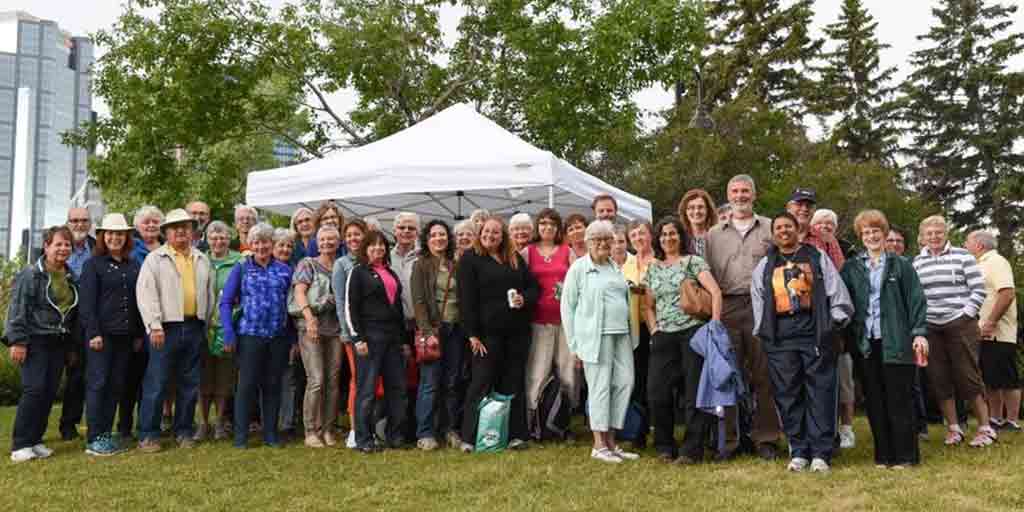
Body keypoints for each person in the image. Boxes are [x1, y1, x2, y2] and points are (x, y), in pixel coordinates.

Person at [751, 212, 853, 473]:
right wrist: (763, 331)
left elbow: (836, 289)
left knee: (821, 392)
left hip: (814, 333)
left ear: (798, 229)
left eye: (788, 226)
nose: (783, 231)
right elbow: (759, 299)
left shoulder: (816, 257)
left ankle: (821, 453)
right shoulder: (766, 264)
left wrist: (834, 322)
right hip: (780, 337)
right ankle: (798, 451)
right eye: (778, 227)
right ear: (773, 233)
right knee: (788, 393)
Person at [840, 209, 928, 468]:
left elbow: (916, 301)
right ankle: (884, 455)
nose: (871, 236)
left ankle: (906, 456)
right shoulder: (852, 267)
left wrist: (919, 334)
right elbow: (843, 302)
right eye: (865, 232)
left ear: (885, 233)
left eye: (875, 231)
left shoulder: (901, 265)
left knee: (899, 399)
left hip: (897, 342)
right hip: (866, 344)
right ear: (860, 236)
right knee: (875, 401)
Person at [704, 174, 782, 460]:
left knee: (764, 375)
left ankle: (767, 439)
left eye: (745, 191)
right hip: (727, 307)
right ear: (728, 194)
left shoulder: (770, 228)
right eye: (735, 191)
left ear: (754, 194)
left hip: (762, 305)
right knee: (728, 375)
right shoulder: (713, 234)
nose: (740, 196)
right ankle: (730, 440)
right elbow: (707, 275)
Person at [643, 217, 724, 464]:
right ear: (658, 239)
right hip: (663, 336)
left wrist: (715, 324)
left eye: (673, 233)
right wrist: (654, 329)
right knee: (658, 393)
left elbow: (716, 292)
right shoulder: (653, 267)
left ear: (681, 236)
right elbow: (648, 305)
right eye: (663, 234)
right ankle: (665, 446)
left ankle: (691, 450)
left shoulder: (693, 261)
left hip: (692, 333)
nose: (668, 238)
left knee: (693, 394)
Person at [135, 209, 215, 452]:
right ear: (166, 232)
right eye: (175, 227)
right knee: (157, 382)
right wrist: (154, 325)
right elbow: (146, 295)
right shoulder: (155, 259)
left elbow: (209, 294)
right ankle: (148, 434)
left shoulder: (202, 258)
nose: (180, 231)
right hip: (165, 328)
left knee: (190, 383)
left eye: (185, 226)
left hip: (194, 326)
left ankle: (183, 431)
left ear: (192, 231)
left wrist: (205, 323)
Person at [458, 216, 539, 452]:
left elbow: (533, 287)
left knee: (513, 382)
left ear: (502, 235)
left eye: (495, 232)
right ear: (479, 233)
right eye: (486, 231)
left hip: (516, 333)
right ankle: (469, 438)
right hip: (486, 335)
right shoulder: (470, 259)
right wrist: (472, 334)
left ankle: (515, 435)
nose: (490, 235)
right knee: (481, 382)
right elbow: (466, 299)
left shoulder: (512, 258)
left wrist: (524, 298)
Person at [561, 220, 640, 463]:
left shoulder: (615, 267)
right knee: (600, 387)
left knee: (625, 382)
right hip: (594, 337)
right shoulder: (578, 269)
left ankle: (612, 442)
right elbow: (568, 308)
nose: (603, 243)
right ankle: (598, 445)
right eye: (597, 239)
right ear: (588, 243)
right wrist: (574, 345)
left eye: (607, 239)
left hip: (621, 334)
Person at [913, 215, 994, 447]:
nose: (934, 236)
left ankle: (985, 428)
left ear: (946, 233)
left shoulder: (963, 256)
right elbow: (917, 296)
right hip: (931, 326)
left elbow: (978, 290)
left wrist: (966, 315)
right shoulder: (917, 262)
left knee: (967, 374)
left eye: (938, 232)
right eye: (929, 233)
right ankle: (954, 428)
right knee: (939, 378)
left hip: (960, 323)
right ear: (923, 236)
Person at [4, 226, 81, 463]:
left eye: (67, 244)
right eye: (58, 244)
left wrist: (71, 348)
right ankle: (20, 445)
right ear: (46, 246)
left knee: (48, 392)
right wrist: (17, 341)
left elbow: (72, 314)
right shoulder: (30, 274)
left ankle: (36, 440)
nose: (63, 248)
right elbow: (17, 309)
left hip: (58, 342)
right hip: (34, 340)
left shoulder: (70, 276)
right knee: (34, 390)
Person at [219, 223, 294, 448]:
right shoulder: (241, 268)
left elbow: (291, 306)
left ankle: (270, 434)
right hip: (249, 336)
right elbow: (225, 302)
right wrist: (229, 333)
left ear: (272, 244)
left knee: (272, 386)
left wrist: (292, 339)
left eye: (266, 242)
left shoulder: (284, 270)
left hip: (277, 337)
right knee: (247, 386)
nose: (261, 246)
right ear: (250, 245)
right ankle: (241, 437)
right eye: (257, 242)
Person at [79, 213, 144, 456]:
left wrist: (137, 333)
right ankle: (95, 437)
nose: (115, 238)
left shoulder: (133, 265)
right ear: (102, 237)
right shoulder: (92, 265)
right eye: (110, 234)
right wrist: (93, 332)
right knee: (98, 383)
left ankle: (106, 433)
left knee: (116, 385)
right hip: (101, 337)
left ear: (126, 237)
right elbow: (87, 304)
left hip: (125, 336)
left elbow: (137, 302)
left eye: (119, 234)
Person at [345, 230, 409, 453]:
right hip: (370, 338)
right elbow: (350, 307)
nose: (378, 248)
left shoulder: (390, 273)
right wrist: (358, 338)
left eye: (382, 245)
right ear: (365, 248)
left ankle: (394, 435)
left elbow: (397, 309)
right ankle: (364, 439)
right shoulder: (358, 272)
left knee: (398, 388)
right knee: (367, 390)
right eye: (373, 245)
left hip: (392, 338)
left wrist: (403, 341)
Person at [522, 208, 579, 439]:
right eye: (543, 223)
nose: (547, 227)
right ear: (538, 227)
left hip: (566, 321)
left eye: (552, 224)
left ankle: (562, 424)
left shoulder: (568, 251)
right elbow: (521, 283)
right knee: (537, 373)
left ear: (558, 228)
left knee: (568, 373)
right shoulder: (528, 252)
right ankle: (533, 424)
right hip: (538, 321)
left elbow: (577, 282)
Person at [411, 220, 466, 450]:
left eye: (442, 234)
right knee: (430, 383)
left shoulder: (455, 262)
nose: (438, 238)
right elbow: (419, 302)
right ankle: (425, 432)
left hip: (456, 329)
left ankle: (450, 429)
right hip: (434, 329)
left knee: (452, 382)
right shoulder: (421, 265)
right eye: (433, 235)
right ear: (427, 239)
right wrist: (427, 331)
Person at [805, 208, 855, 449]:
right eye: (820, 223)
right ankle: (819, 430)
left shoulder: (840, 248)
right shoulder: (805, 245)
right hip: (810, 320)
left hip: (837, 318)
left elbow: (845, 279)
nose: (825, 227)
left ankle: (844, 429)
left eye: (830, 224)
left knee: (842, 377)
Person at [293, 225, 343, 448]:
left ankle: (329, 429)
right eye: (323, 239)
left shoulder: (342, 266)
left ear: (338, 242)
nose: (327, 243)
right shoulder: (307, 264)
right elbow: (299, 292)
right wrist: (309, 317)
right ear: (317, 242)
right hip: (310, 327)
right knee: (316, 380)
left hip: (335, 330)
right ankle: (311, 430)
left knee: (333, 381)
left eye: (331, 239)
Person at [965, 230, 1021, 432]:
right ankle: (996, 418)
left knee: (1007, 377)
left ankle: (1012, 420)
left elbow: (1007, 293)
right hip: (982, 331)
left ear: (979, 245)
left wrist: (991, 321)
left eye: (967, 242)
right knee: (989, 377)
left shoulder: (996, 261)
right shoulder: (979, 264)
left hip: (999, 332)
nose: (965, 246)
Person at [195, 221, 242, 441]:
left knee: (224, 377)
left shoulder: (238, 262)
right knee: (204, 377)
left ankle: (220, 421)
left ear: (229, 238)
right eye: (214, 237)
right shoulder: (199, 260)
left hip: (227, 325)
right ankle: (203, 422)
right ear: (207, 239)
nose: (218, 241)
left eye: (222, 236)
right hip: (202, 326)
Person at [122, 205, 163, 439]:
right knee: (132, 377)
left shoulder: (168, 250)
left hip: (161, 323)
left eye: (154, 221)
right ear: (137, 226)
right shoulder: (131, 251)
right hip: (136, 322)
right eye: (146, 222)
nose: (150, 225)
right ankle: (126, 424)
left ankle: (148, 423)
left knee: (154, 377)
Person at [332, 219, 369, 449]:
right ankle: (355, 429)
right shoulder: (342, 264)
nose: (353, 239)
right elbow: (339, 301)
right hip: (354, 333)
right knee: (358, 380)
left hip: (374, 330)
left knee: (372, 380)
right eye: (349, 235)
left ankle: (370, 425)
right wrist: (348, 332)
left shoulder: (371, 261)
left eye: (358, 234)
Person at [60, 207, 94, 440]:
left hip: (89, 320)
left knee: (84, 375)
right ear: (67, 222)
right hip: (63, 321)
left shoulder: (97, 246)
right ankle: (64, 424)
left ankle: (77, 424)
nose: (79, 225)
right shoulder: (59, 245)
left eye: (84, 220)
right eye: (75, 220)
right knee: (63, 375)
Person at [622, 220, 656, 426]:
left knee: (656, 377)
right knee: (638, 376)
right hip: (634, 328)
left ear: (650, 235)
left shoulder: (659, 260)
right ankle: (639, 425)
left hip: (657, 325)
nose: (638, 238)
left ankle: (655, 420)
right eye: (633, 235)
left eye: (641, 233)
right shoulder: (627, 264)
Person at [677, 189, 718, 257]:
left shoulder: (718, 236)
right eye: (691, 208)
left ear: (708, 210)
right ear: (685, 211)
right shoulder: (680, 240)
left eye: (700, 207)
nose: (696, 211)